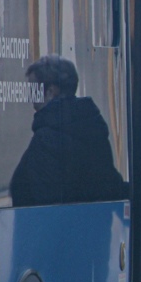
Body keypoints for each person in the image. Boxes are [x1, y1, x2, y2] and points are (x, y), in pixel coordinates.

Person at [9, 55, 127, 206]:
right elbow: (108, 185)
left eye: (34, 90)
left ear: (51, 91)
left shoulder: (47, 139)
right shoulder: (92, 128)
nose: (31, 98)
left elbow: (42, 200)